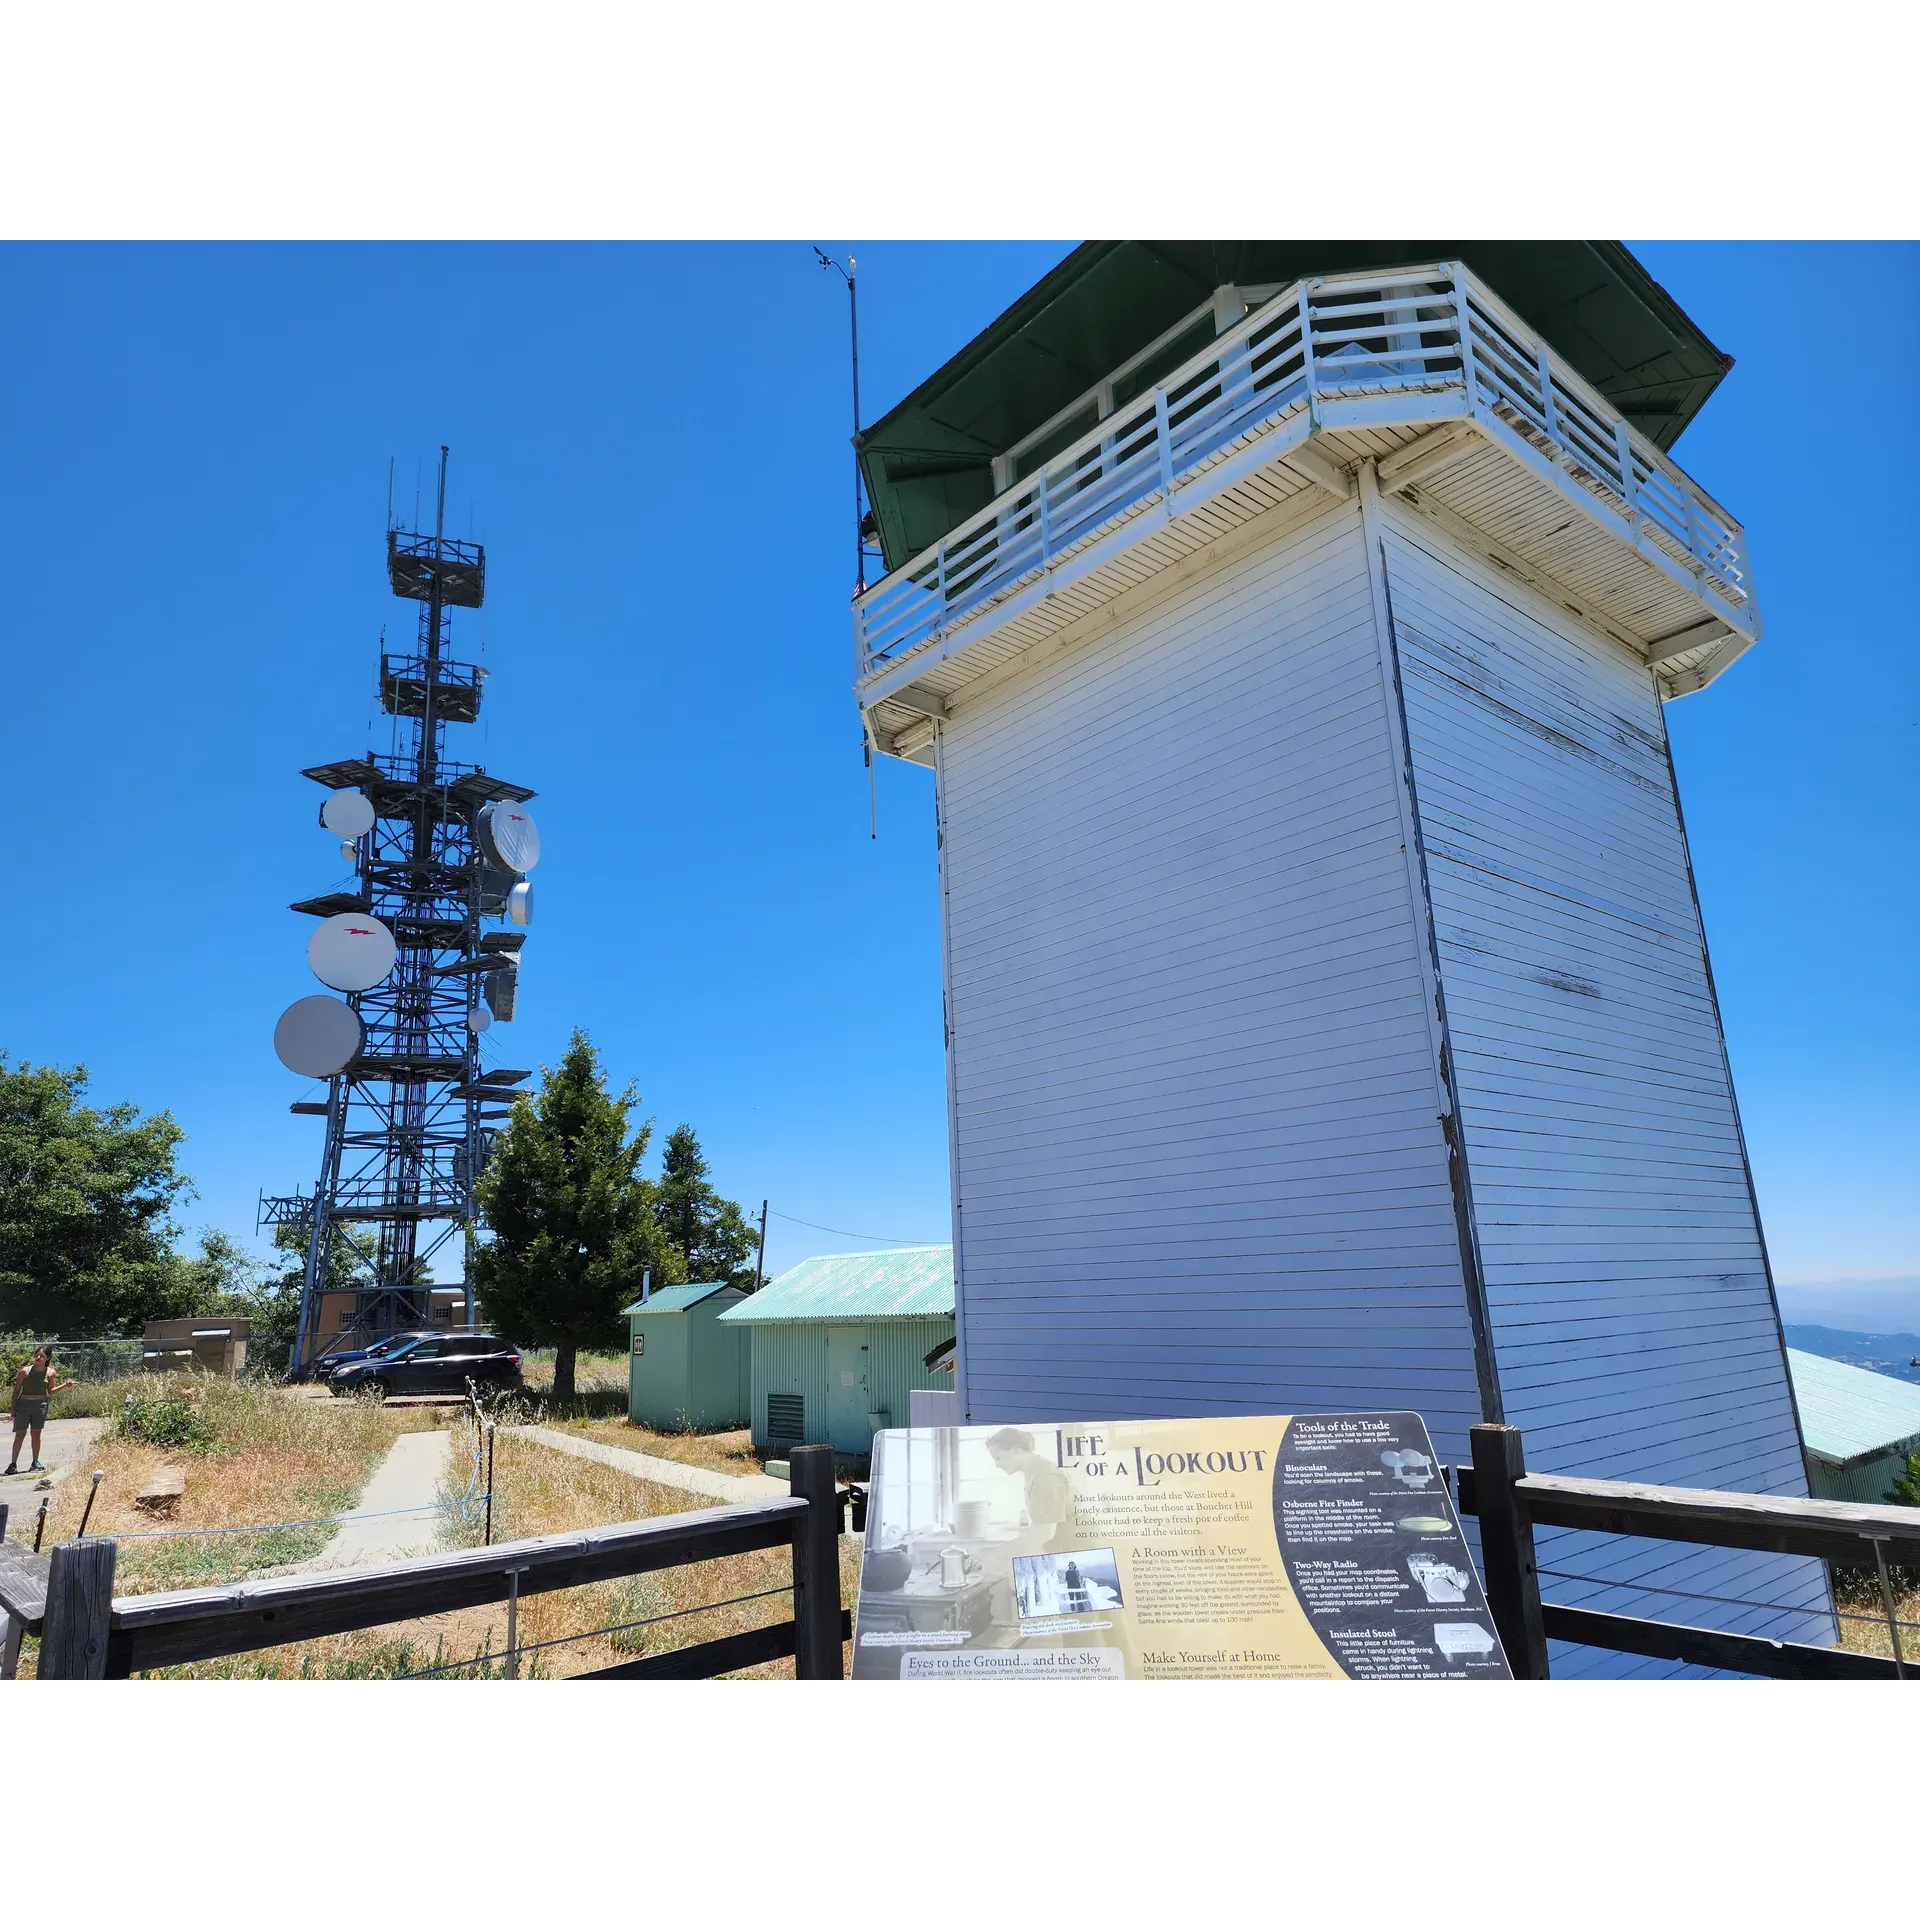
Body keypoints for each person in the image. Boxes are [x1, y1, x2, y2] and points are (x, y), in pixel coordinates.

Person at [8, 1346, 72, 1476]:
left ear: (47, 1358)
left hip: (40, 1405)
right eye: (36, 1355)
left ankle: (35, 1461)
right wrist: (13, 1408)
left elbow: (51, 1391)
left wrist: (65, 1385)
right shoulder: (25, 1371)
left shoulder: (50, 1373)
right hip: (24, 1405)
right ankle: (13, 1464)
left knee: (36, 1434)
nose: (38, 1358)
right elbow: (17, 1390)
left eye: (41, 1356)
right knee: (20, 1435)